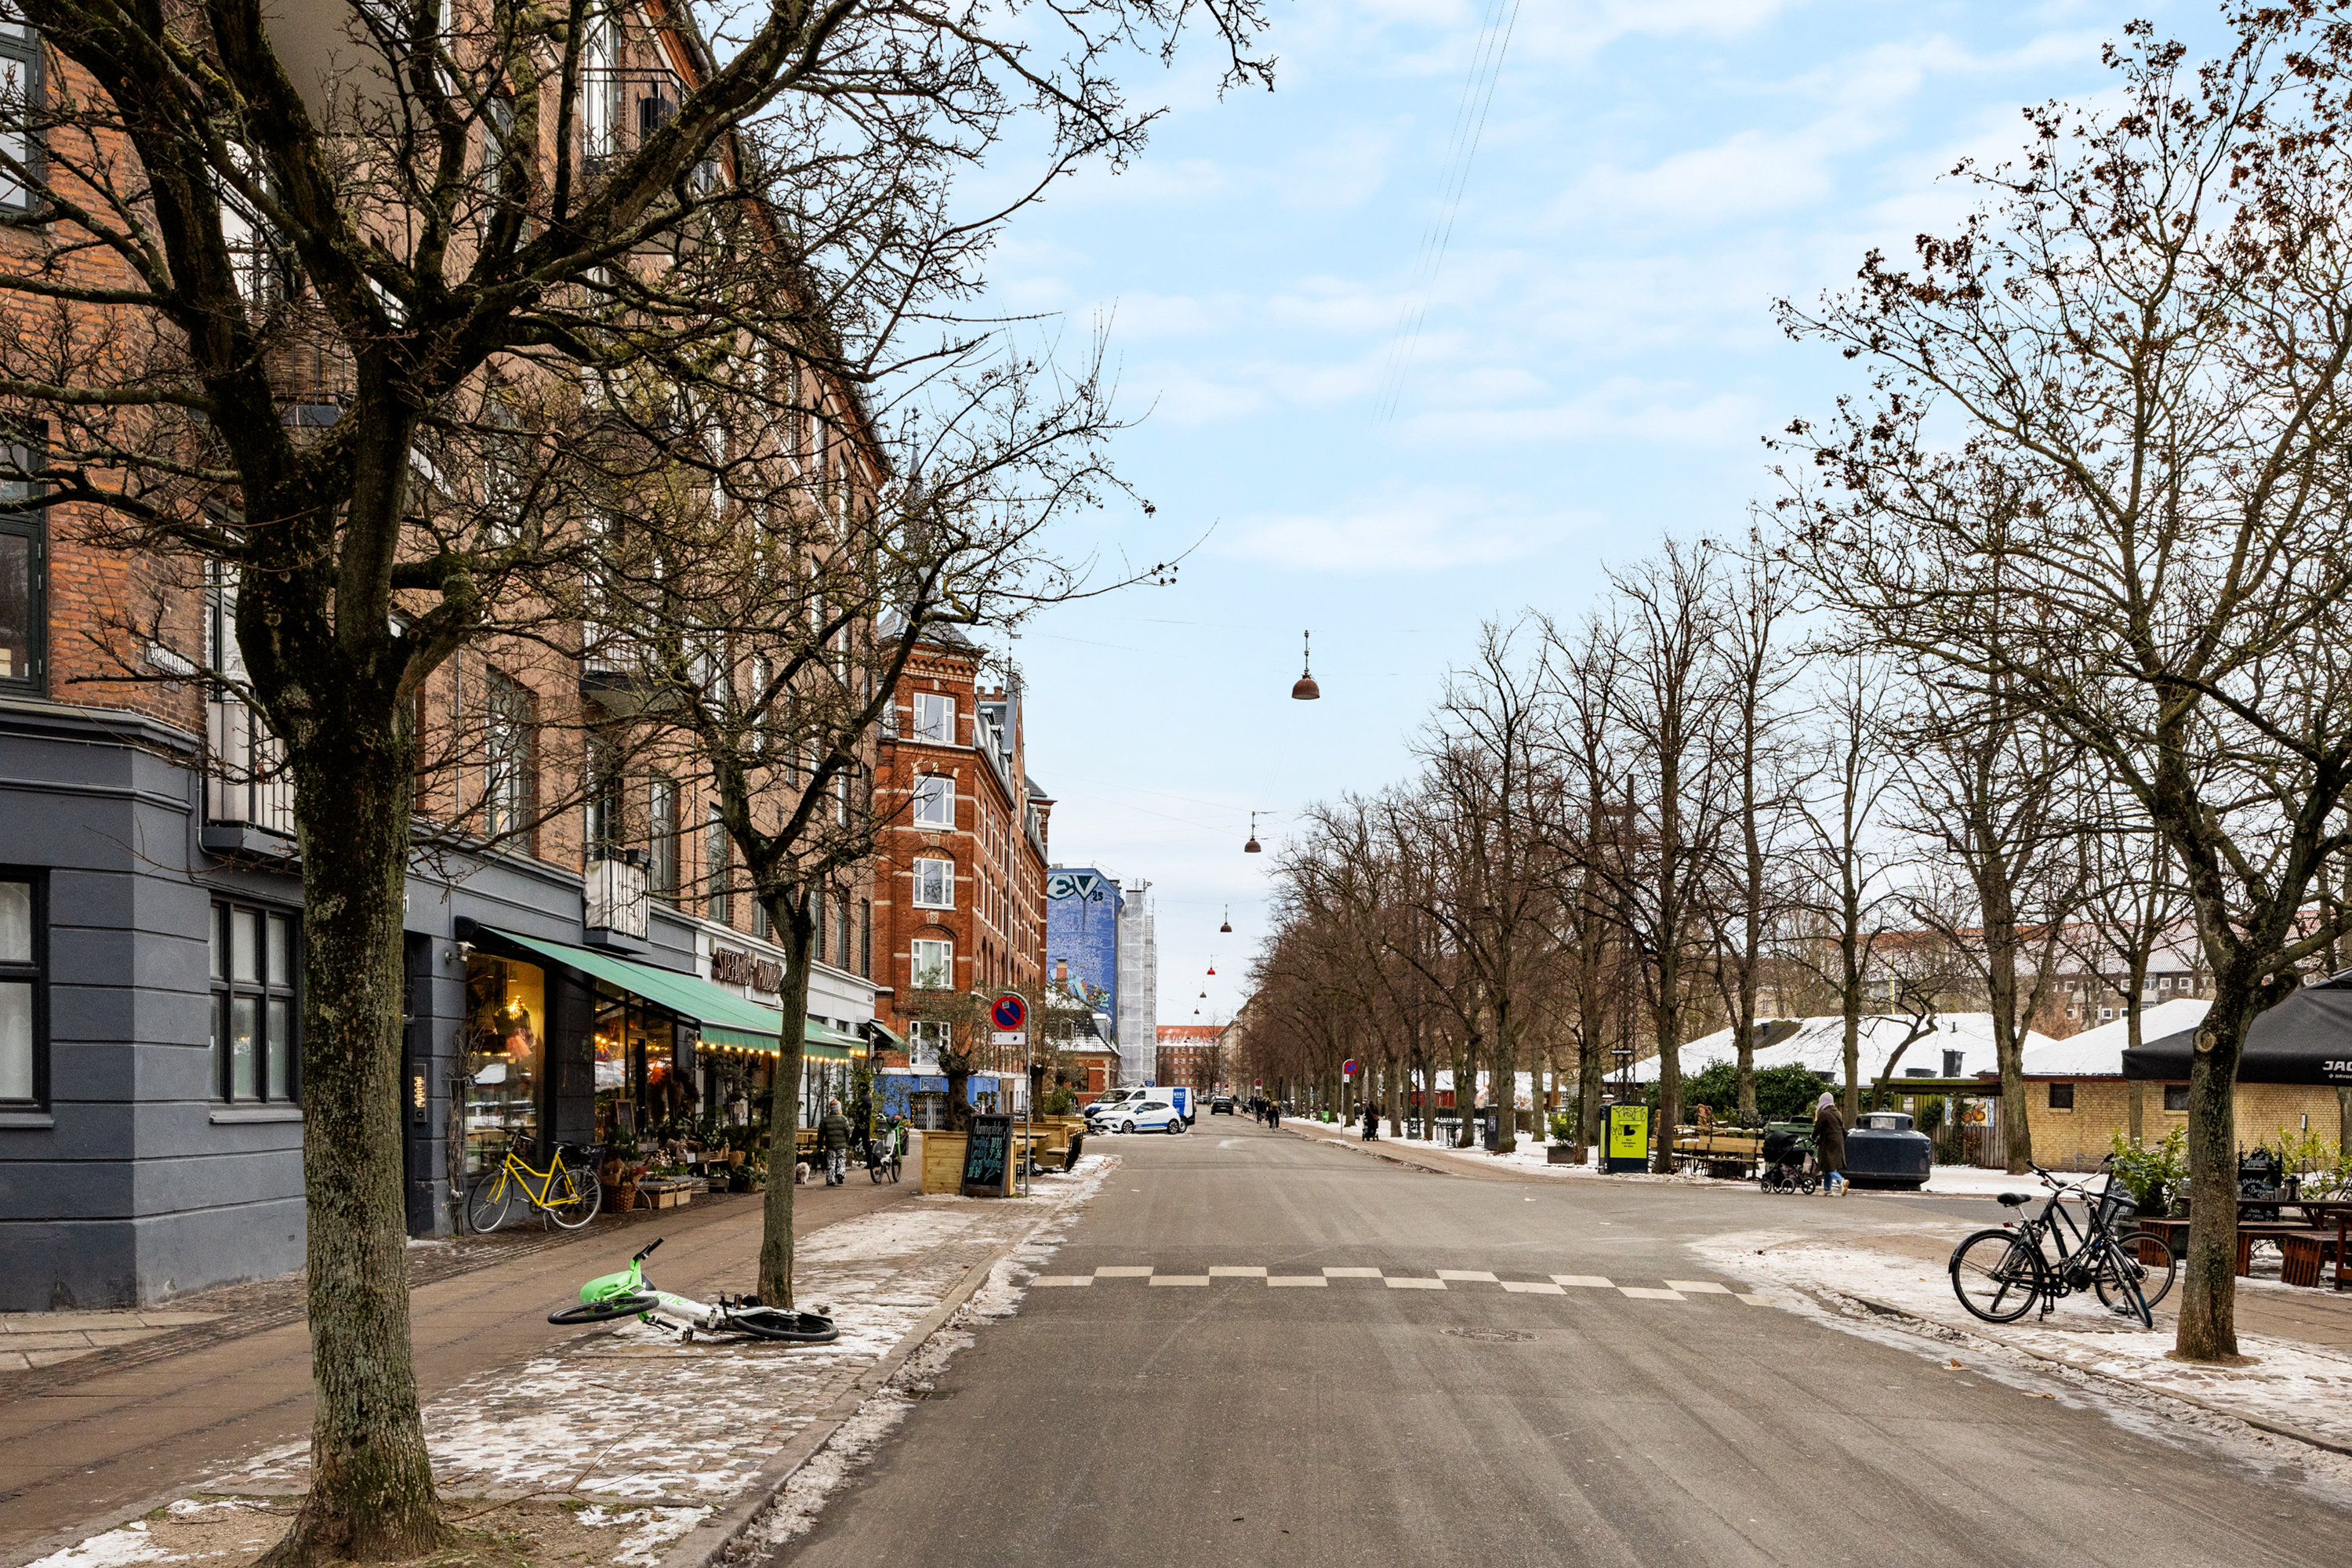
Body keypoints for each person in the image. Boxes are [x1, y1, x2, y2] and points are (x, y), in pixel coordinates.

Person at [1813, 1091, 1848, 1196]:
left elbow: (1818, 1128)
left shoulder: (1823, 1114)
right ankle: (1827, 1190)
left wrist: (1812, 1137)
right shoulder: (1837, 1113)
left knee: (1827, 1165)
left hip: (1828, 1142)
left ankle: (1841, 1181)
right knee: (1828, 1165)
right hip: (1838, 1140)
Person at [819, 1098, 853, 1186]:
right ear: (839, 1109)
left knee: (831, 1161)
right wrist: (847, 1141)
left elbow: (821, 1134)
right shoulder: (843, 1119)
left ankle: (831, 1179)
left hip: (830, 1144)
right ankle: (840, 1174)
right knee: (841, 1159)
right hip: (841, 1144)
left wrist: (820, 1144)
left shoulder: (825, 1120)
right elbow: (848, 1131)